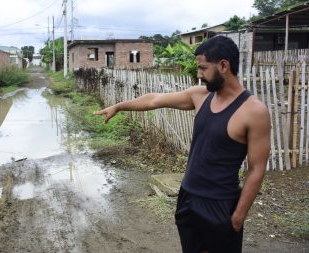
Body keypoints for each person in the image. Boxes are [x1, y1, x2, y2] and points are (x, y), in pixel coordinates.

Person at [94, 36, 270, 253]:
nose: (199, 74)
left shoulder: (254, 111)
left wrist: (239, 215)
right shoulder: (201, 96)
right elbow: (154, 99)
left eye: (203, 68)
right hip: (188, 197)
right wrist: (119, 106)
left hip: (221, 203)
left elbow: (257, 169)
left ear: (224, 65)